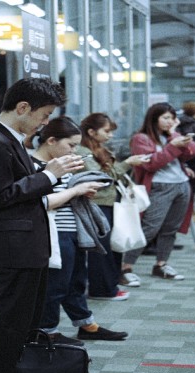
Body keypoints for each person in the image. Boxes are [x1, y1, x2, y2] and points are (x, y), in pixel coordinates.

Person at [0, 78, 82, 373]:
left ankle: (6, 372)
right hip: (13, 247)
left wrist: (46, 173)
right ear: (22, 107)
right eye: (44, 115)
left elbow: (14, 187)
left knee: (19, 322)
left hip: (23, 246)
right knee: (7, 322)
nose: (44, 124)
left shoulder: (6, 138)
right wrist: (49, 176)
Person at [32, 116, 128, 344]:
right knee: (55, 285)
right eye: (71, 145)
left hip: (71, 230)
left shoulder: (60, 163)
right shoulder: (35, 165)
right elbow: (41, 202)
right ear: (52, 141)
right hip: (53, 233)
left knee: (76, 281)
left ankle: (86, 324)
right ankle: (48, 331)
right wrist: (77, 191)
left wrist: (80, 190)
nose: (74, 150)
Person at [122, 103, 195, 281]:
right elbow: (150, 163)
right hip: (159, 187)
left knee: (170, 229)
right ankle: (125, 267)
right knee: (149, 228)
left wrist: (173, 135)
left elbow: (193, 152)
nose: (169, 121)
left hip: (181, 185)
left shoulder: (172, 135)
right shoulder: (141, 138)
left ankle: (161, 264)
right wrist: (173, 146)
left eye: (172, 118)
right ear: (153, 118)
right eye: (165, 118)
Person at [78, 113, 149, 290]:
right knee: (102, 248)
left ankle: (110, 285)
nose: (111, 135)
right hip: (97, 203)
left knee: (112, 245)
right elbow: (101, 178)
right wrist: (128, 163)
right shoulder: (83, 152)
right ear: (91, 132)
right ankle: (103, 289)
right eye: (107, 131)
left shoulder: (99, 148)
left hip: (109, 202)